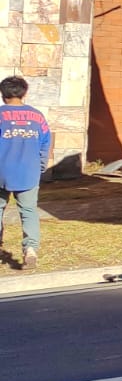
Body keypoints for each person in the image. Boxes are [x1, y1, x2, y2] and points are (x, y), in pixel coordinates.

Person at [0, 76, 51, 270]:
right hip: (28, 172)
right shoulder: (37, 116)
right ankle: (30, 249)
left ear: (3, 94)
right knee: (29, 211)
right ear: (24, 93)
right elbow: (45, 143)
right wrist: (41, 166)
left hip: (1, 171)